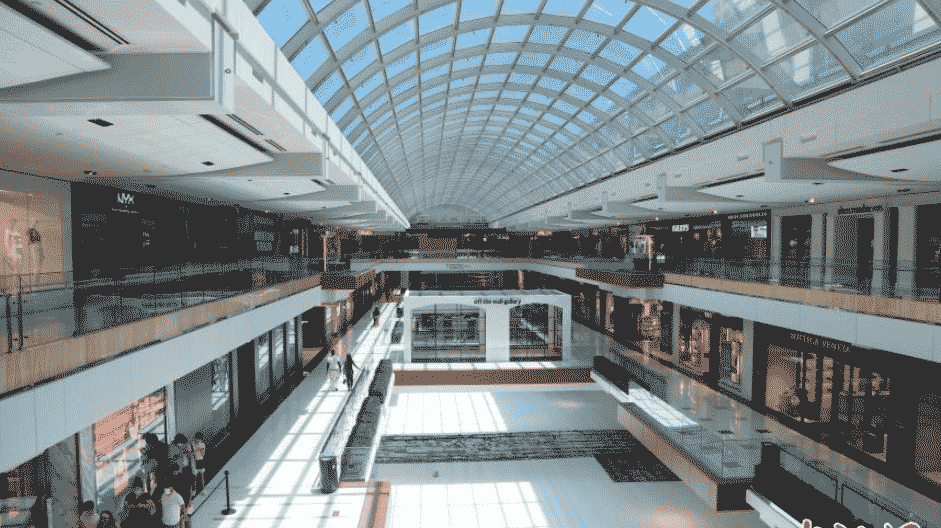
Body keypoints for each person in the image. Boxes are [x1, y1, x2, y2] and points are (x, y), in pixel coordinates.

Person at [190, 432, 207, 496]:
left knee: (202, 476)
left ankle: (203, 489)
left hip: (200, 461)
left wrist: (201, 450)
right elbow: (190, 454)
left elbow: (203, 454)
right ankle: (194, 490)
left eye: (199, 439)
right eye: (197, 439)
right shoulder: (191, 444)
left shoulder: (202, 445)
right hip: (194, 461)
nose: (198, 440)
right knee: (194, 476)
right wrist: (196, 449)